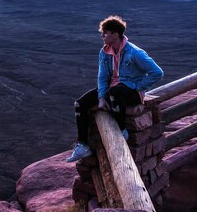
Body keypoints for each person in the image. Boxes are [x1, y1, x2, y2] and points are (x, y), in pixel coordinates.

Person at [66, 15, 163, 162]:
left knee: (115, 92)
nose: (102, 35)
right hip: (113, 90)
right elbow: (103, 76)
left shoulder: (135, 53)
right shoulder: (104, 52)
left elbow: (157, 72)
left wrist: (137, 86)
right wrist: (100, 97)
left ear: (115, 35)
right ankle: (83, 145)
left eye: (105, 33)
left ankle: (122, 131)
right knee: (80, 103)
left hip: (132, 93)